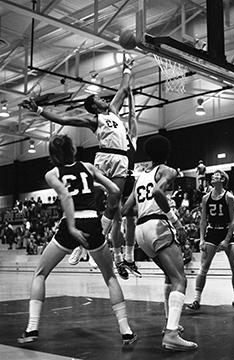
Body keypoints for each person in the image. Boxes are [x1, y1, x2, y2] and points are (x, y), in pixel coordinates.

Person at [21, 56, 140, 280]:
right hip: (105, 157)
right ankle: (79, 245)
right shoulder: (92, 118)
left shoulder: (114, 110)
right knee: (94, 202)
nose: (105, 99)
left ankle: (87, 243)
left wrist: (127, 68)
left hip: (122, 159)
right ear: (94, 104)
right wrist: (38, 110)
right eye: (99, 99)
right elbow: (64, 119)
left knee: (114, 206)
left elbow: (124, 88)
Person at [17, 135, 136, 345]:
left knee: (40, 274)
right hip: (92, 221)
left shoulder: (52, 174)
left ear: (53, 155)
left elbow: (65, 196)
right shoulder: (88, 167)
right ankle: (126, 331)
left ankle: (31, 329)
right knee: (109, 277)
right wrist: (110, 211)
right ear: (73, 150)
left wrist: (71, 226)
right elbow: (115, 190)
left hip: (71, 223)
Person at [121, 135, 198, 351]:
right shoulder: (168, 170)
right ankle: (171, 334)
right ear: (167, 152)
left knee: (169, 276)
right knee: (180, 279)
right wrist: (177, 222)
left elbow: (126, 210)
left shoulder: (140, 177)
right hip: (158, 226)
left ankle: (170, 324)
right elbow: (156, 192)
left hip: (140, 232)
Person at [187, 170, 234, 314]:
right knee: (203, 268)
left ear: (222, 180)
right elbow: (203, 220)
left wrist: (227, 239)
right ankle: (196, 300)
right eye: (213, 175)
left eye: (216, 175)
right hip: (212, 232)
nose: (213, 177)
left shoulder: (229, 197)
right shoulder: (206, 198)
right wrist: (201, 239)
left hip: (226, 230)